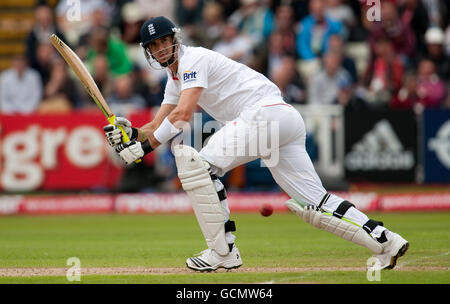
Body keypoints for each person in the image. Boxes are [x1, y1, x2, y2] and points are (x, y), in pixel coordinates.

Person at [103, 16, 409, 272]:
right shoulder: (175, 79)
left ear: (175, 38)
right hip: (282, 121)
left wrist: (144, 149)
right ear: (148, 52)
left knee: (199, 168)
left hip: (262, 117)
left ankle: (223, 253)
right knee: (317, 202)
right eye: (153, 46)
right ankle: (386, 240)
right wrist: (130, 134)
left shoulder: (193, 59)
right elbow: (156, 126)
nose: (161, 48)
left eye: (165, 40)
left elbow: (183, 116)